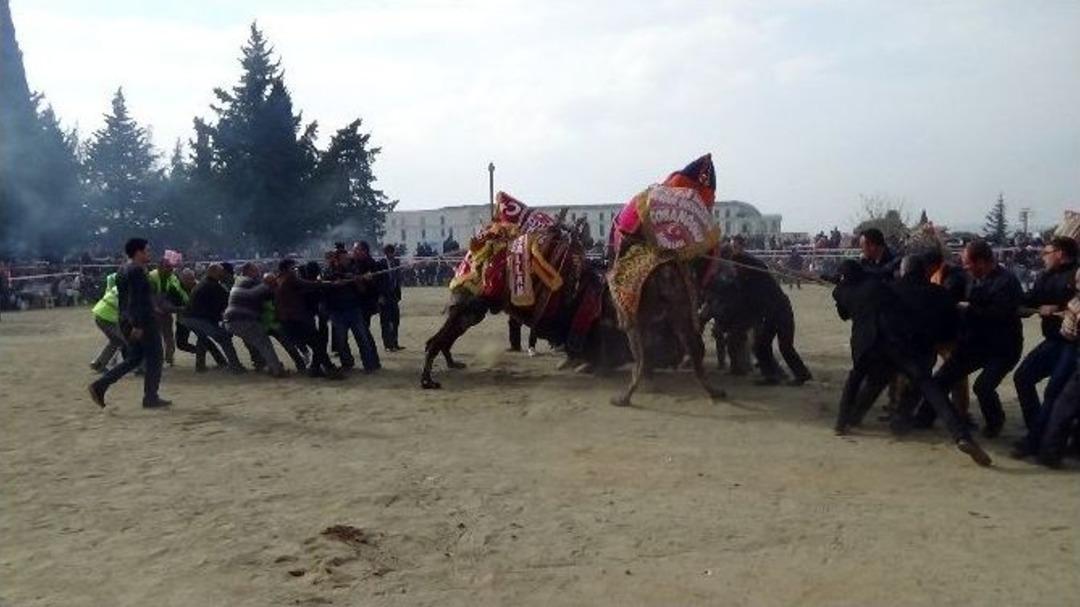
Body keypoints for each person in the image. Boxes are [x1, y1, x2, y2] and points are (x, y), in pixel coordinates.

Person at [832, 257, 990, 465]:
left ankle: (846, 421)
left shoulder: (885, 289)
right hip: (913, 349)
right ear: (924, 272)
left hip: (878, 345)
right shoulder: (940, 294)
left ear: (903, 271)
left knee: (868, 379)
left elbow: (857, 309)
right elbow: (951, 327)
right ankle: (960, 435)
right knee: (930, 389)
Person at [934, 240, 1024, 438]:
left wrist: (970, 309)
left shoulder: (1007, 282)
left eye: (968, 263)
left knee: (982, 386)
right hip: (974, 343)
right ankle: (933, 418)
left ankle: (995, 422)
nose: (965, 268)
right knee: (941, 379)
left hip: (1003, 347)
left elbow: (999, 314)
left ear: (982, 262)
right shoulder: (971, 278)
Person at [88, 238, 171, 409]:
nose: (149, 253)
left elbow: (128, 300)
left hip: (127, 320)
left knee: (135, 358)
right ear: (138, 252)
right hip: (142, 322)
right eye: (147, 250)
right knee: (155, 358)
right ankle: (150, 397)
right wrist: (138, 325)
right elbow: (137, 300)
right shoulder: (136, 271)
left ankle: (100, 385)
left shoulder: (123, 269)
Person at [1012, 236, 1078, 446]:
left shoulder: (1076, 274)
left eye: (1046, 252)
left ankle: (1038, 440)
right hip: (1052, 341)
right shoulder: (1045, 276)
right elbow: (1030, 299)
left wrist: (1059, 309)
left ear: (1060, 253)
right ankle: (1037, 428)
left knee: (1055, 392)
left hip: (1073, 345)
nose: (1043, 257)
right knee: (1023, 377)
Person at [275, 259, 345, 379]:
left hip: (288, 320)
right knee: (317, 343)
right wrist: (331, 284)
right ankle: (329, 369)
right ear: (287, 269)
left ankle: (316, 368)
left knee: (316, 343)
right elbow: (308, 285)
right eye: (293, 268)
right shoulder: (289, 278)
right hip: (295, 319)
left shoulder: (279, 280)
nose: (296, 270)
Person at [178, 263, 244, 373]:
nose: (223, 274)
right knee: (224, 338)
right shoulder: (213, 286)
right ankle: (236, 366)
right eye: (221, 272)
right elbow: (228, 303)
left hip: (188, 317)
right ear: (213, 272)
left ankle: (200, 366)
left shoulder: (204, 283)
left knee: (202, 337)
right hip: (197, 318)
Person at [223, 262, 285, 377]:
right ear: (248, 271)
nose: (259, 273)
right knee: (264, 343)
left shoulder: (239, 281)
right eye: (256, 270)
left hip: (231, 321)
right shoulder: (249, 282)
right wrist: (275, 282)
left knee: (254, 342)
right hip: (242, 320)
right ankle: (277, 370)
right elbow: (269, 292)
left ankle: (263, 364)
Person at [325, 247, 380, 371]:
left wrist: (358, 280)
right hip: (337, 311)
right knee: (341, 341)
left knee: (362, 338)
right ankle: (347, 363)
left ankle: (369, 364)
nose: (346, 260)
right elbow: (325, 287)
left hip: (354, 309)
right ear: (337, 260)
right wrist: (335, 284)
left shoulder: (354, 269)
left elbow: (362, 290)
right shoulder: (329, 271)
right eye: (343, 259)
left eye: (347, 258)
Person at [148, 259, 189, 366]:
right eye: (167, 267)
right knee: (155, 337)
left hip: (164, 308)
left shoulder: (172, 277)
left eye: (171, 268)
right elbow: (148, 296)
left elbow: (180, 292)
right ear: (159, 267)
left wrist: (187, 304)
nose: (170, 270)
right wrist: (155, 308)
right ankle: (157, 359)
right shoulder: (151, 277)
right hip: (153, 310)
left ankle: (169, 358)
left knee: (169, 336)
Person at [89, 271, 125, 372]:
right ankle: (138, 366)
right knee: (127, 341)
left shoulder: (118, 287)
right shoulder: (129, 291)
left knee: (116, 341)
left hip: (100, 314)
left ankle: (99, 364)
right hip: (107, 317)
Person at [377, 244, 404, 352]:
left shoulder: (396, 263)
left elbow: (397, 279)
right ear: (386, 253)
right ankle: (388, 345)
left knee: (395, 320)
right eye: (391, 253)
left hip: (393, 295)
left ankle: (395, 342)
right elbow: (377, 281)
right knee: (385, 321)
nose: (393, 255)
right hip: (384, 296)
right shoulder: (380, 264)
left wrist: (398, 295)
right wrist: (379, 296)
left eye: (393, 253)